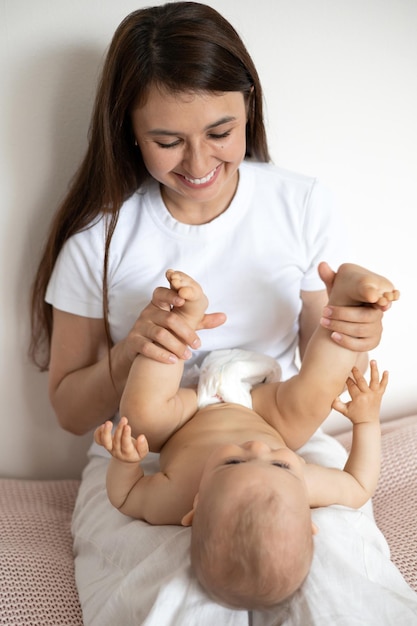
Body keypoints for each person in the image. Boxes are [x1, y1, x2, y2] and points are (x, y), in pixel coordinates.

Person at [28, 2, 417, 624]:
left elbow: (318, 359)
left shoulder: (299, 202)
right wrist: (139, 350)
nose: (199, 162)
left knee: (345, 584)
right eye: (167, 140)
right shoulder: (97, 242)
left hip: (272, 414)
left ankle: (353, 291)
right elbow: (72, 410)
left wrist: (352, 331)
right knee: (166, 598)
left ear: (248, 109)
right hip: (155, 434)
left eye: (220, 131)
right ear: (127, 129)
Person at [94, 264, 397, 609]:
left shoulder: (175, 497)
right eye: (282, 465)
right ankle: (347, 305)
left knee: (142, 419)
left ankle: (181, 324)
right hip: (264, 407)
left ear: (194, 509)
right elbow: (358, 486)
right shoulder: (302, 486)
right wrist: (366, 422)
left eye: (234, 462)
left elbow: (126, 495)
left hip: (188, 411)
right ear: (308, 520)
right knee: (316, 397)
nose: (257, 447)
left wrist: (125, 461)